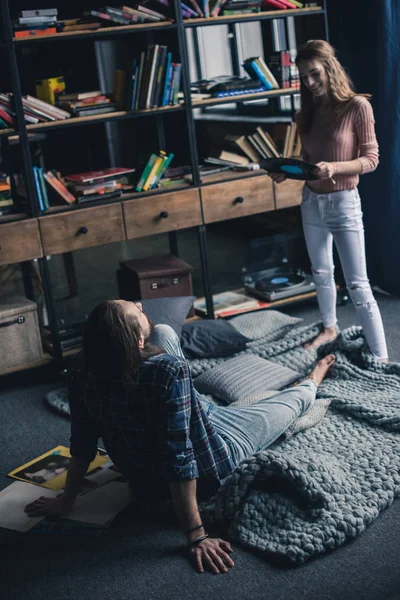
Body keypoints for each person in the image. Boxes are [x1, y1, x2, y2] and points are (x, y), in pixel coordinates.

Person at [25, 300, 335, 574]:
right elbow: (180, 457)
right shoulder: (167, 371)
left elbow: (82, 439)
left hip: (189, 415)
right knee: (289, 405)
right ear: (138, 340)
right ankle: (312, 380)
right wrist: (196, 535)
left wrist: (67, 501)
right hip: (218, 452)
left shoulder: (81, 368)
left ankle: (194, 399)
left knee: (166, 333)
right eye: (137, 310)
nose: (141, 305)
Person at [269, 39, 388, 361]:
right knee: (320, 272)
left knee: (358, 285)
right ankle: (329, 328)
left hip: (343, 201)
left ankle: (380, 357)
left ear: (330, 68)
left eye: (314, 74)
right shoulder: (305, 113)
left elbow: (372, 158)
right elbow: (310, 160)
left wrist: (335, 167)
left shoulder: (357, 107)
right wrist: (288, 171)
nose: (309, 83)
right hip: (311, 201)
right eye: (303, 77)